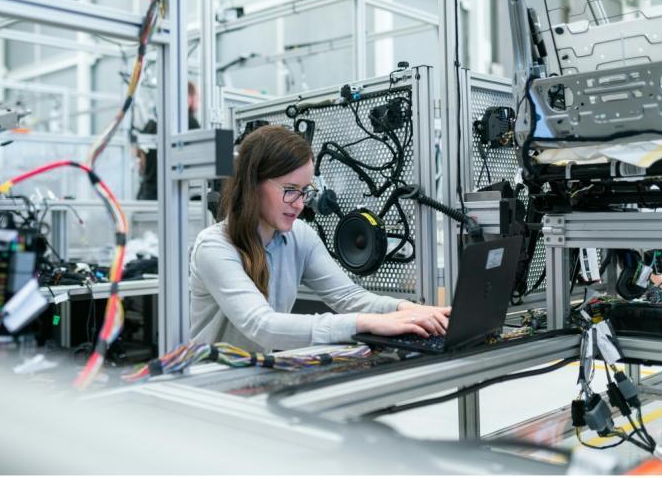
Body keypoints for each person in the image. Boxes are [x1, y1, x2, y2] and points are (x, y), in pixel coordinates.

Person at [189, 125, 451, 352]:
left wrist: (409, 310)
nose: (300, 204)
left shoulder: (299, 236)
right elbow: (263, 326)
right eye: (290, 190)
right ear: (252, 184)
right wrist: (366, 323)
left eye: (305, 191)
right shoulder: (215, 246)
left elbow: (349, 297)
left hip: (256, 375)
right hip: (210, 385)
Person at [135, 82, 201, 200]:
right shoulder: (189, 122)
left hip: (146, 197)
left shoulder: (151, 124)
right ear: (188, 98)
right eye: (197, 97)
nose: (198, 102)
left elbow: (140, 163)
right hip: (172, 198)